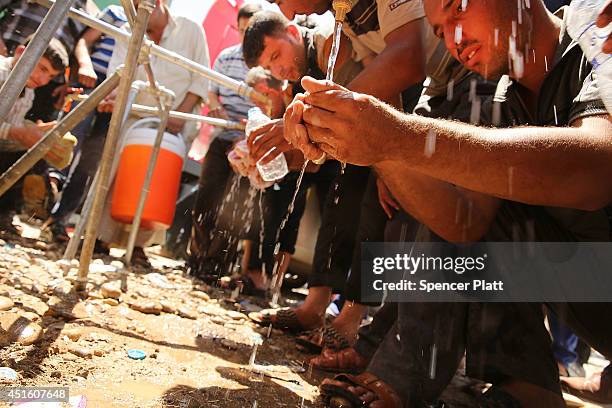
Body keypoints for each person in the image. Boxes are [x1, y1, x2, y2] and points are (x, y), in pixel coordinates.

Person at [285, 0, 612, 406]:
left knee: (487, 165)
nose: (454, 40)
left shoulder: (596, 32)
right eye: (440, 32)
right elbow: (465, 223)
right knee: (482, 183)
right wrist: (376, 147)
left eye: (458, 8)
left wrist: (400, 137)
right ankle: (527, 387)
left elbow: (596, 170)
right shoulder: (502, 96)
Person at [97, 0, 210, 267]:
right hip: (134, 112)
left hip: (175, 118)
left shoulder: (190, 29)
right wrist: (110, 97)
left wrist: (178, 115)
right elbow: (118, 74)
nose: (137, 9)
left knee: (155, 184)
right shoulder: (128, 28)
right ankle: (99, 237)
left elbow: (201, 79)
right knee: (113, 172)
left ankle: (138, 245)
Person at [187, 2, 262, 279]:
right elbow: (210, 90)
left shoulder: (268, 63)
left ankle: (217, 266)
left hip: (251, 145)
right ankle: (196, 259)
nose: (244, 36)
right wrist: (215, 106)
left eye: (249, 30)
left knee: (236, 208)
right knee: (206, 198)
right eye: (240, 30)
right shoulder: (226, 57)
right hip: (222, 137)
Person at [47, 4, 128, 242]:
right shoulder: (116, 13)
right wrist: (85, 65)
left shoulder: (152, 29)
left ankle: (60, 219)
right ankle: (49, 186)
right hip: (92, 80)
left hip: (118, 92)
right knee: (70, 137)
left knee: (91, 160)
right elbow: (84, 41)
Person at [0, 37, 74, 234]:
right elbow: (12, 130)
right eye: (42, 69)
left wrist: (39, 131)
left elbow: (14, 125)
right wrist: (19, 133)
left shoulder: (30, 91)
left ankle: (4, 212)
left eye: (50, 76)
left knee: (36, 155)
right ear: (21, 52)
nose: (43, 80)